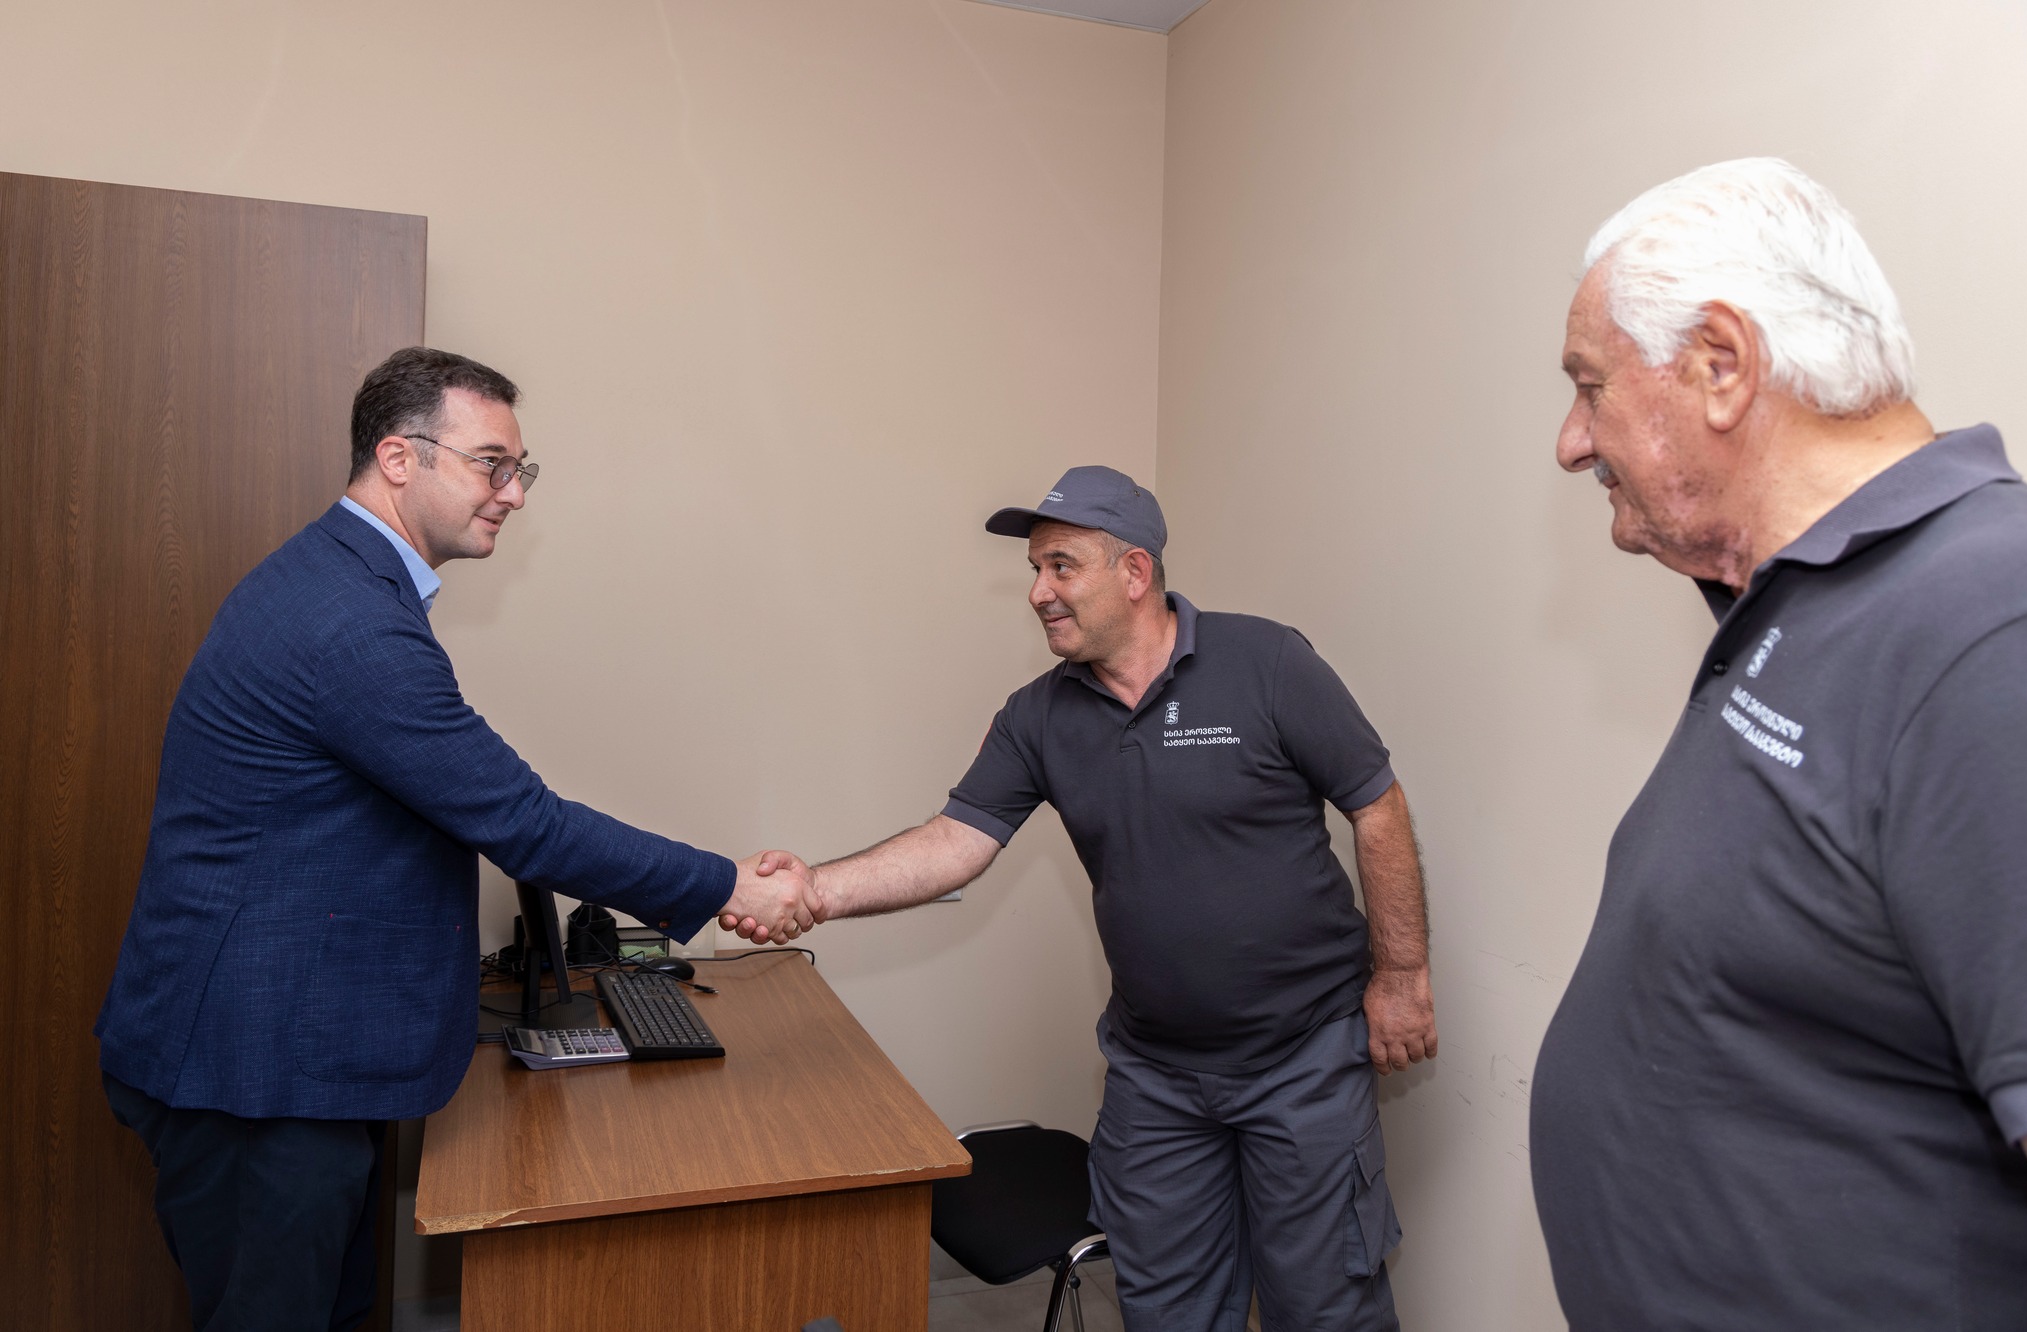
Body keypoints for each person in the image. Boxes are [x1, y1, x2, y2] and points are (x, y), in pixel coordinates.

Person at [94, 347, 812, 1332]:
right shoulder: (348, 622)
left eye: (520, 469)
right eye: (491, 464)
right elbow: (523, 822)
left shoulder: (343, 584)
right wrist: (727, 884)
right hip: (253, 1068)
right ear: (399, 458)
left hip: (280, 1057)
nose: (513, 493)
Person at [728, 465, 1435, 1331]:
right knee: (1168, 1312)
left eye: (1060, 566)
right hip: (1156, 1076)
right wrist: (816, 889)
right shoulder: (1038, 715)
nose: (1037, 592)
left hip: (1304, 1061)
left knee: (1325, 1309)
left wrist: (1402, 975)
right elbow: (954, 842)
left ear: (1133, 572)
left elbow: (1376, 802)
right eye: (1036, 569)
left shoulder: (1267, 662)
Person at [1530, 158, 2027, 1328]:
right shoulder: (1800, 603)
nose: (1569, 441)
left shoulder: (1998, 620)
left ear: (1720, 365)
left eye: (1589, 387)